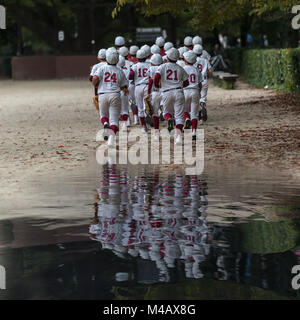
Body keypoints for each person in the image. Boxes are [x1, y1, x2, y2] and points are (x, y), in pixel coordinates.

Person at [92, 49, 129, 147]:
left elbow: (95, 79)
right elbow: (124, 85)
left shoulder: (101, 68)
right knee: (114, 120)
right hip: (115, 95)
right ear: (117, 60)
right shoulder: (119, 70)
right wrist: (124, 89)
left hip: (103, 94)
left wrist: (95, 84)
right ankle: (111, 140)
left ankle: (105, 124)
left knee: (103, 115)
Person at [153, 48, 189, 145]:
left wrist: (157, 85)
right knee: (179, 115)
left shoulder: (162, 66)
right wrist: (179, 86)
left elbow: (156, 77)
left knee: (166, 112)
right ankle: (179, 137)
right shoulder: (180, 68)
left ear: (167, 57)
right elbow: (186, 82)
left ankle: (169, 119)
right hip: (178, 92)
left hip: (166, 92)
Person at [129, 48, 151, 133]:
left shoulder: (134, 66)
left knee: (140, 108)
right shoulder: (149, 65)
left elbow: (130, 76)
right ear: (146, 57)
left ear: (137, 58)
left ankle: (143, 127)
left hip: (138, 87)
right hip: (147, 86)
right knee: (147, 106)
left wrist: (134, 80)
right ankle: (148, 118)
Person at [183, 51, 203, 140]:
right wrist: (199, 92)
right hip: (195, 91)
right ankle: (194, 131)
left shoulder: (182, 68)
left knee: (183, 110)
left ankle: (187, 118)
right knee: (194, 114)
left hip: (185, 91)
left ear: (185, 60)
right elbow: (200, 84)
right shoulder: (196, 70)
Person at [145, 54, 163, 140]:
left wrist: (148, 93)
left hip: (155, 92)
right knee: (169, 111)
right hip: (165, 92)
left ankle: (156, 133)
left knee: (155, 113)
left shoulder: (151, 69)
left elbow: (150, 82)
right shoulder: (164, 67)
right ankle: (164, 112)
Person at [193, 44, 212, 124]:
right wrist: (206, 73)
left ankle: (199, 118)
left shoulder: (192, 60)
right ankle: (203, 103)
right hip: (204, 80)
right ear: (201, 53)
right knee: (203, 97)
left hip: (196, 81)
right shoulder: (205, 60)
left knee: (195, 100)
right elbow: (210, 70)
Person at [117, 55, 131, 131]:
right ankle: (125, 125)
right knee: (125, 110)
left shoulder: (115, 70)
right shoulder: (127, 70)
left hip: (115, 91)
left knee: (114, 110)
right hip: (124, 90)